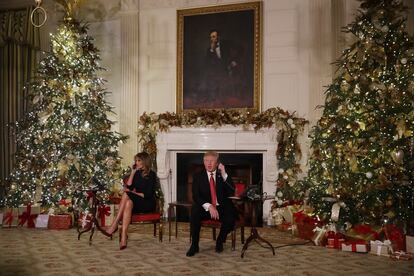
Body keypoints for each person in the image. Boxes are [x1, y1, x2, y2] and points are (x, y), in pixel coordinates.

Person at [186, 151, 237, 257]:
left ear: (217, 163)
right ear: (203, 162)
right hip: (206, 208)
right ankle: (194, 245)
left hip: (221, 208)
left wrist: (224, 174)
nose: (209, 163)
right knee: (195, 211)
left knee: (231, 213)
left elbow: (231, 191)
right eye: (206, 161)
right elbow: (196, 196)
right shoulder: (198, 176)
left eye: (212, 161)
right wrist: (209, 206)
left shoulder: (221, 176)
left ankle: (220, 241)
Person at [105, 152, 156, 250]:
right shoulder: (136, 173)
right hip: (136, 202)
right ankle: (124, 237)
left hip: (147, 203)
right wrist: (132, 173)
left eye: (139, 160)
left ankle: (115, 223)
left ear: (145, 161)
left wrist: (133, 193)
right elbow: (129, 186)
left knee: (127, 194)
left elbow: (148, 194)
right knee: (128, 203)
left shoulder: (152, 175)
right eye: (136, 160)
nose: (136, 162)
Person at [198, 29, 238, 102]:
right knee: (208, 75)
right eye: (211, 37)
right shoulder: (209, 49)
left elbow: (233, 53)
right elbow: (207, 62)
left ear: (218, 37)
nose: (212, 39)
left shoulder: (225, 45)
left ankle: (225, 97)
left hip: (226, 67)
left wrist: (234, 61)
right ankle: (211, 97)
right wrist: (212, 50)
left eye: (213, 37)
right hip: (215, 70)